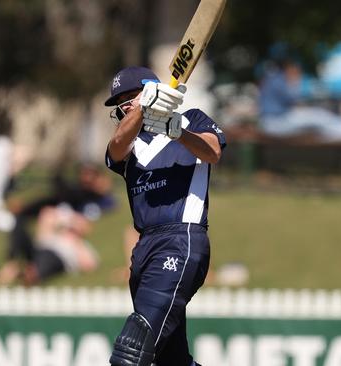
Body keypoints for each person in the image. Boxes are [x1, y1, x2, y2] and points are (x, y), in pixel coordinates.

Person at [103, 66, 225, 366]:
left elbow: (212, 152)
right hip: (145, 248)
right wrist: (144, 107)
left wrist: (178, 132)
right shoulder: (129, 145)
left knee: (132, 353)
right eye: (120, 102)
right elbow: (116, 147)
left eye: (130, 97)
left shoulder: (191, 120)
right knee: (169, 360)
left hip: (181, 240)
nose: (124, 106)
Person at [0, 163, 116, 285]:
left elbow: (89, 261)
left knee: (49, 258)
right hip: (42, 246)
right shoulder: (68, 201)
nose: (87, 180)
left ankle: (28, 273)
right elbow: (43, 206)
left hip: (59, 253)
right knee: (19, 223)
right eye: (84, 175)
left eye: (91, 176)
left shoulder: (97, 204)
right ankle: (15, 264)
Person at [258, 59, 341, 142]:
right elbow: (292, 98)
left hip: (274, 122)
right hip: (275, 123)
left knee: (317, 120)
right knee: (317, 117)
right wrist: (295, 83)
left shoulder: (273, 79)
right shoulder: (278, 80)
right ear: (289, 68)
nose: (298, 73)